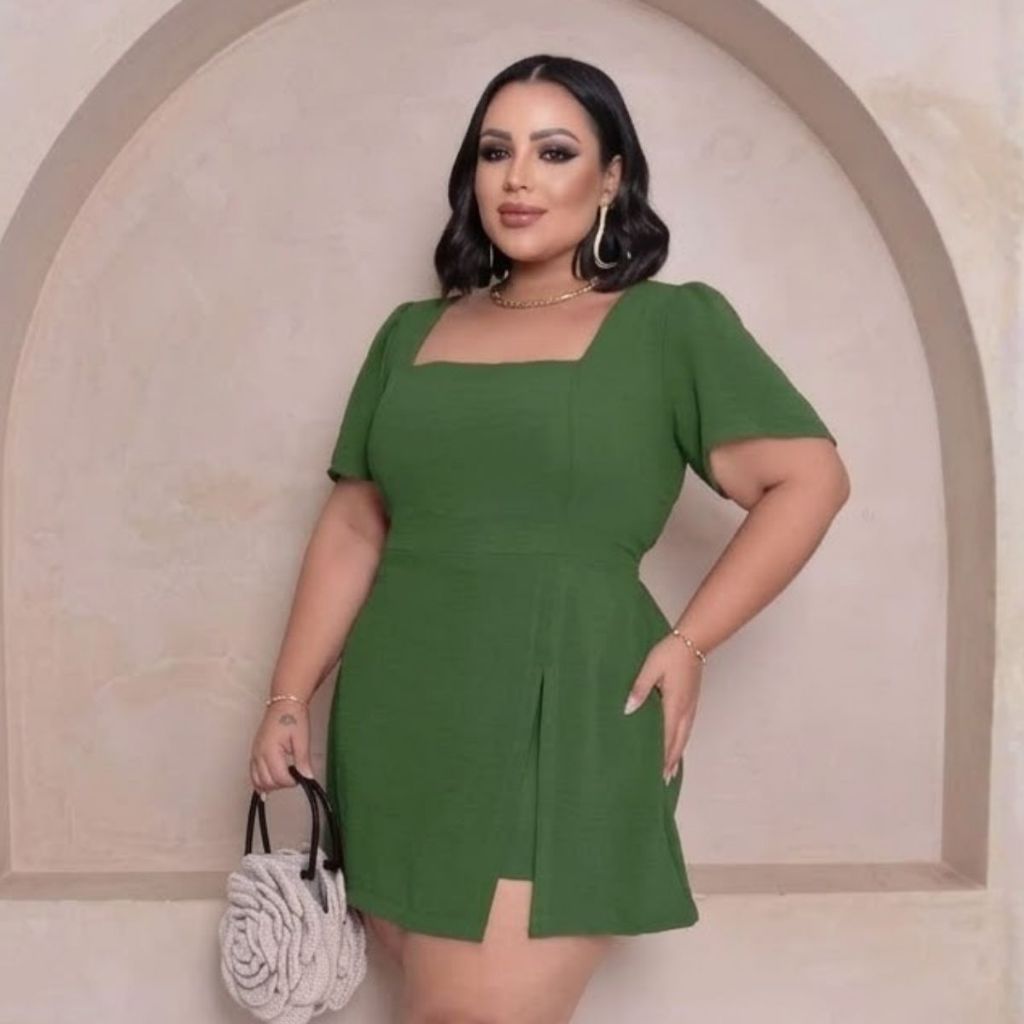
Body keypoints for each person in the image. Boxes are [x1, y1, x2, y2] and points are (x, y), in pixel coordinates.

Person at [248, 53, 850, 1024]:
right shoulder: (408, 335)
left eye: (554, 151)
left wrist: (690, 640)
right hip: (399, 714)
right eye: (495, 152)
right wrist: (287, 697)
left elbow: (809, 479)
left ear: (611, 177)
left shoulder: (668, 326)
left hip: (562, 701)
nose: (518, 178)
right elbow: (357, 523)